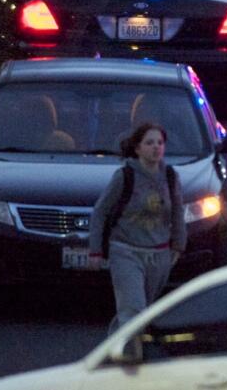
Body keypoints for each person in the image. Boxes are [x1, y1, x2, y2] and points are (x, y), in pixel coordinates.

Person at [88, 122, 185, 332]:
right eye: (149, 143)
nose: (156, 147)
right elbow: (101, 211)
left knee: (145, 312)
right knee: (133, 311)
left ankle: (115, 348)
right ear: (137, 148)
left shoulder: (170, 176)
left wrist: (178, 244)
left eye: (160, 143)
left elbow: (177, 211)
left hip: (159, 255)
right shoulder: (125, 177)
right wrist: (95, 249)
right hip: (126, 252)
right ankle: (131, 358)